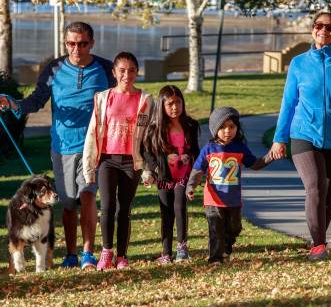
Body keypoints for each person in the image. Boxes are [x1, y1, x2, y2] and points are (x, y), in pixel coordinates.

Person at [0, 22, 114, 269]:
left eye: (82, 43)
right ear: (65, 43)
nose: (76, 49)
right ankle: (71, 254)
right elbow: (37, 99)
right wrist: (14, 105)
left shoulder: (106, 68)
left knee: (87, 195)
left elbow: (119, 100)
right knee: (68, 202)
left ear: (91, 43)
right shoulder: (54, 68)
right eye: (71, 43)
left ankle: (87, 254)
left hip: (93, 145)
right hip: (62, 145)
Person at [270, 12, 331, 260]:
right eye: (318, 25)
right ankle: (319, 244)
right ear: (312, 29)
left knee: (327, 192)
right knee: (314, 187)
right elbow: (289, 103)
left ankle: (318, 240)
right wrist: (279, 138)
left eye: (330, 27)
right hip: (304, 135)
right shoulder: (298, 63)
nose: (323, 30)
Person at [83, 51, 154, 270]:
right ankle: (106, 252)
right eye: (122, 70)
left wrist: (149, 169)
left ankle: (122, 256)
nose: (127, 75)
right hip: (107, 160)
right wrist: (89, 167)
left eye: (132, 70)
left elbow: (150, 138)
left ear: (137, 73)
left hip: (131, 162)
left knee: (124, 208)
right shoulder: (103, 98)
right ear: (114, 72)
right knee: (107, 206)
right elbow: (92, 133)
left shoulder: (146, 100)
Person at [186, 107, 271, 263]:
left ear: (236, 128)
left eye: (231, 126)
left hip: (233, 199)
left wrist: (270, 156)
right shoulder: (208, 149)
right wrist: (191, 186)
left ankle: (225, 247)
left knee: (235, 228)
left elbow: (254, 164)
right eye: (223, 127)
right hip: (213, 198)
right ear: (215, 129)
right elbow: (198, 170)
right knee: (215, 229)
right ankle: (215, 258)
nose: (227, 131)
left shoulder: (239, 147)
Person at [142, 85, 199, 264]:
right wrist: (157, 168)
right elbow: (146, 152)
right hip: (164, 177)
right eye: (170, 104)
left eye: (178, 102)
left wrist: (191, 160)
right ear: (162, 106)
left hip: (183, 175)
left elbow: (195, 150)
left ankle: (182, 248)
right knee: (166, 212)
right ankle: (166, 253)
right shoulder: (155, 129)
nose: (175, 107)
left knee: (179, 207)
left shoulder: (190, 125)